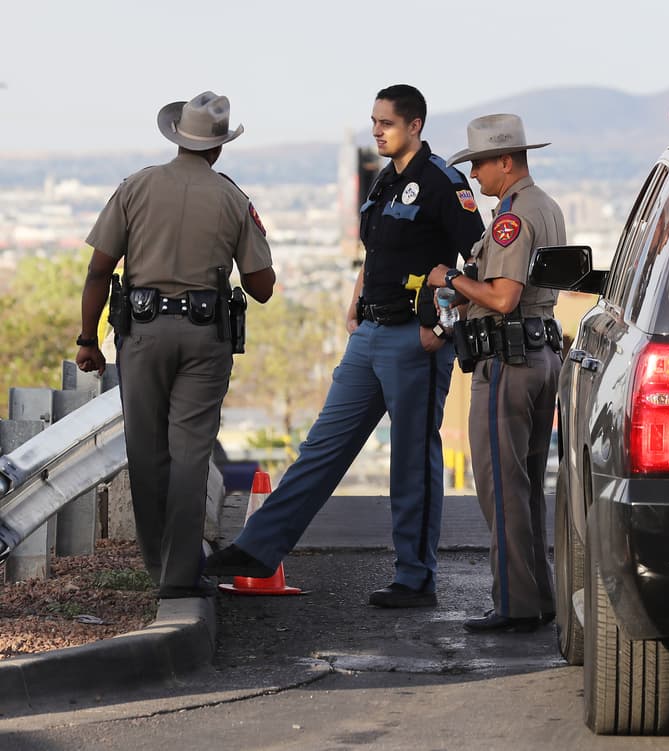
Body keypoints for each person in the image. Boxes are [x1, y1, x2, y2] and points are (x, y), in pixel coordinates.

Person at [206, 84, 485, 608]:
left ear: (416, 125)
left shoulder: (444, 183)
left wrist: (444, 328)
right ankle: (258, 550)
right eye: (374, 121)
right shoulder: (383, 182)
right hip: (371, 335)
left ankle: (415, 577)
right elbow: (374, 253)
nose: (377, 130)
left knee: (411, 460)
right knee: (322, 448)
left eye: (388, 123)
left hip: (415, 341)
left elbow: (480, 263)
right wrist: (355, 304)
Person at [76, 91, 276, 599]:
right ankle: (182, 576)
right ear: (218, 148)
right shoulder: (233, 199)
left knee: (146, 451)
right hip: (205, 337)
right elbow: (261, 286)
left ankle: (156, 563)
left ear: (178, 138)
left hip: (140, 334)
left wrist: (87, 340)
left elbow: (99, 270)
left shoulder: (136, 187)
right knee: (191, 451)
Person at [428, 114, 564, 632]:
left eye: (481, 164)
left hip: (507, 361)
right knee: (526, 486)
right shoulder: (545, 206)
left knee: (501, 487)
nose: (477, 175)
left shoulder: (512, 216)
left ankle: (513, 604)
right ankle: (537, 596)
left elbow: (503, 297)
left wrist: (453, 278)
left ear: (506, 161)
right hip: (540, 352)